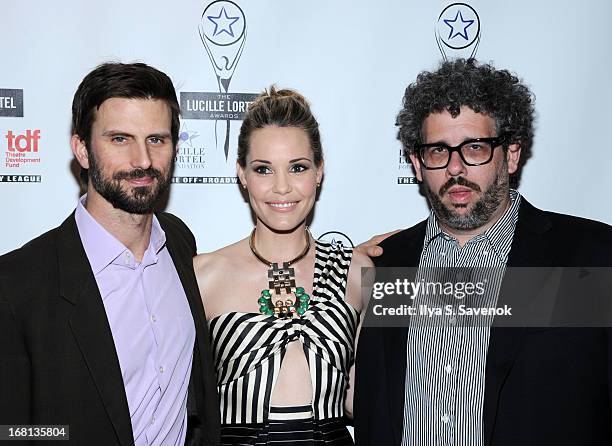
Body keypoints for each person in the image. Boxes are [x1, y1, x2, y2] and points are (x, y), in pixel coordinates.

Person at [354, 59, 612, 445]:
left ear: (510, 153)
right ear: (416, 162)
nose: (455, 168)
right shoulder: (385, 263)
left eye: (475, 147)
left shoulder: (591, 257)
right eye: (438, 151)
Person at [0, 62, 220, 445]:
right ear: (82, 150)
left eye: (157, 139)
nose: (143, 160)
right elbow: (12, 431)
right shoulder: (17, 284)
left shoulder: (181, 244)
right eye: (120, 139)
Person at [193, 87, 371, 445]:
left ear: (319, 171)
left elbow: (363, 398)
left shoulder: (356, 271)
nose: (282, 188)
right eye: (263, 169)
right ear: (242, 174)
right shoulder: (202, 275)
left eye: (298, 167)